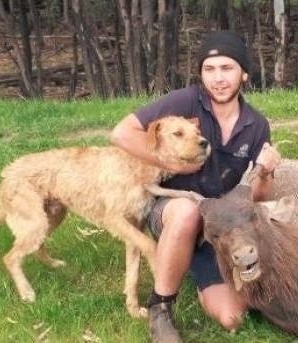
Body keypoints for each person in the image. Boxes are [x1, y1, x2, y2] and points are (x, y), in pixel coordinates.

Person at [110, 31, 280, 343]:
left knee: (232, 317)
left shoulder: (257, 125)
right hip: (171, 210)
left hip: (219, 226)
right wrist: (169, 163)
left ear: (244, 73)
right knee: (187, 213)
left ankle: (189, 263)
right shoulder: (184, 101)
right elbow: (121, 133)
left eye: (227, 68)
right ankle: (160, 308)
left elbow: (258, 198)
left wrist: (267, 174)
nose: (218, 79)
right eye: (209, 69)